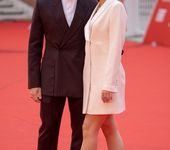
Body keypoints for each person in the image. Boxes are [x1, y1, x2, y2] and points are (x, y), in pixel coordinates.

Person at [28, 0, 97, 150]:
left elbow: (98, 40)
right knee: (48, 128)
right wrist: (34, 83)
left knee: (81, 131)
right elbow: (34, 45)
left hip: (81, 76)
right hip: (52, 76)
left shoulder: (91, 4)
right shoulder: (43, 4)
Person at [81, 0, 127, 150]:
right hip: (93, 80)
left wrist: (108, 84)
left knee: (88, 129)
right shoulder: (98, 6)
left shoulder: (115, 6)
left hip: (105, 81)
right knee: (109, 128)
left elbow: (115, 47)